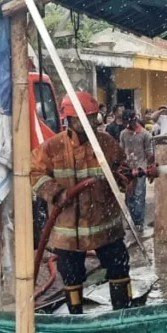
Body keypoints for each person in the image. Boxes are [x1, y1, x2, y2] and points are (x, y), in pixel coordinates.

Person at [30, 91, 136, 314]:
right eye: (84, 118)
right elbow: (34, 174)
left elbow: (121, 170)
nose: (90, 122)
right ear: (70, 118)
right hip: (69, 230)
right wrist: (57, 193)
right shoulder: (52, 147)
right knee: (70, 274)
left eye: (92, 117)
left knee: (119, 267)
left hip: (105, 226)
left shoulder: (106, 143)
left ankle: (122, 315)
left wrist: (126, 177)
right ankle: (75, 318)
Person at [119, 110, 153, 229]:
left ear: (134, 120)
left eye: (129, 122)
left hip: (141, 169)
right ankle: (131, 220)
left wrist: (149, 169)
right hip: (128, 169)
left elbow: (149, 152)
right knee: (129, 195)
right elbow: (121, 151)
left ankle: (139, 222)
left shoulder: (145, 134)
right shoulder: (123, 134)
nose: (127, 125)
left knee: (139, 194)